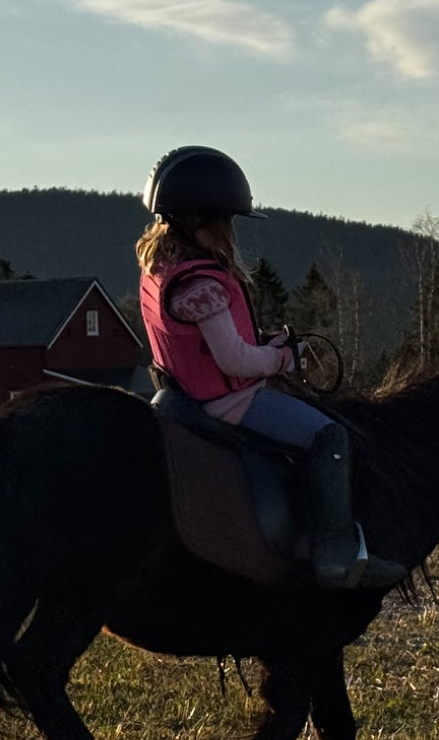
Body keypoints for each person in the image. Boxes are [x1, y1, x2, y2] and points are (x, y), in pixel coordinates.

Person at [137, 146, 406, 590]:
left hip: (184, 396)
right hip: (229, 403)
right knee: (330, 437)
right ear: (205, 220)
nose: (231, 232)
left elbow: (211, 345)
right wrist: (284, 358)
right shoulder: (204, 284)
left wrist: (263, 344)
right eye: (227, 220)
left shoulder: (163, 270)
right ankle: (336, 555)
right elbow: (233, 360)